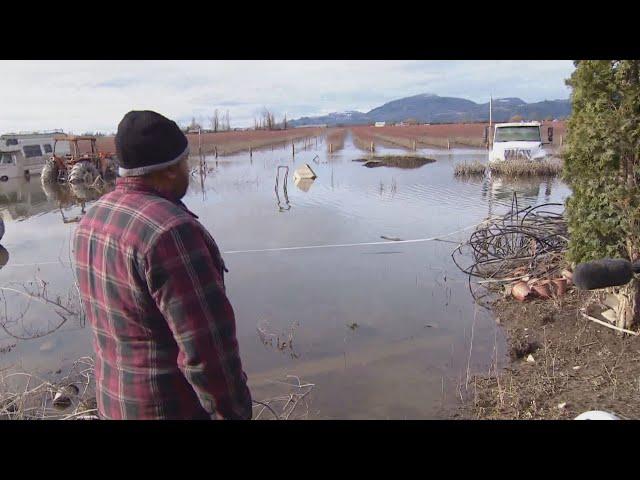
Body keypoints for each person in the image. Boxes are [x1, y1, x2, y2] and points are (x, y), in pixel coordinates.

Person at [73, 110, 252, 420]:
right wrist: (234, 412)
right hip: (168, 408)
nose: (188, 170)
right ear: (169, 170)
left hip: (114, 402)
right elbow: (207, 351)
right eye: (185, 163)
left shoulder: (92, 218)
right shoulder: (171, 232)